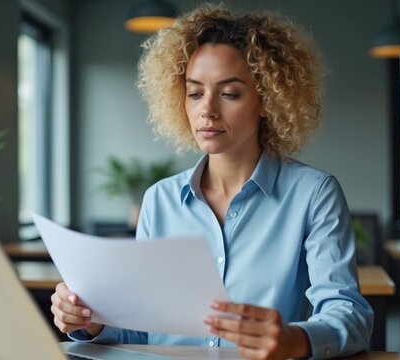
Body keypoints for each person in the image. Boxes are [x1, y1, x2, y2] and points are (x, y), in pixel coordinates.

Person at [51, 5, 373, 359]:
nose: (208, 109)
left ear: (266, 100)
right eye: (194, 93)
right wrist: (92, 321)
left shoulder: (313, 194)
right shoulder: (160, 200)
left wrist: (294, 340)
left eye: (230, 93)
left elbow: (351, 315)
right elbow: (142, 328)